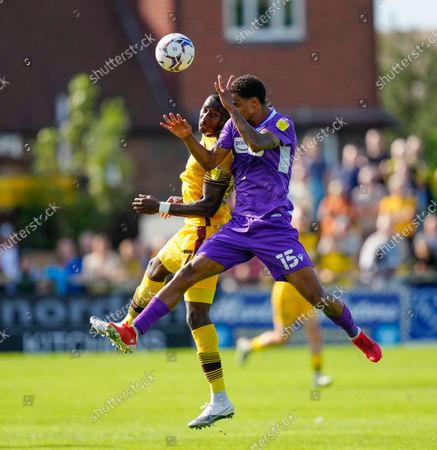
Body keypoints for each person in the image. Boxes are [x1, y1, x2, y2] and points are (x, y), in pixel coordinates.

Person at [101, 74, 382, 428]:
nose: (233, 111)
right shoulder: (235, 126)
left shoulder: (280, 123)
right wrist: (188, 137)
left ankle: (357, 335)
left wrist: (231, 113)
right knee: (186, 273)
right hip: (238, 227)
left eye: (239, 104)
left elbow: (259, 142)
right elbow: (211, 162)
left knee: (318, 298)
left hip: (275, 229)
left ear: (254, 103)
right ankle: (134, 330)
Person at [90, 94, 234, 429]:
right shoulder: (207, 144)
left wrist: (162, 208)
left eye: (215, 114)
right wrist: (179, 201)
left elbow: (210, 206)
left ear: (225, 122)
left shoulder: (220, 152)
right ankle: (127, 328)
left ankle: (220, 398)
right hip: (192, 229)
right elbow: (200, 196)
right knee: (155, 268)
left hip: (205, 233)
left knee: (196, 317)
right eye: (205, 110)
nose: (206, 117)